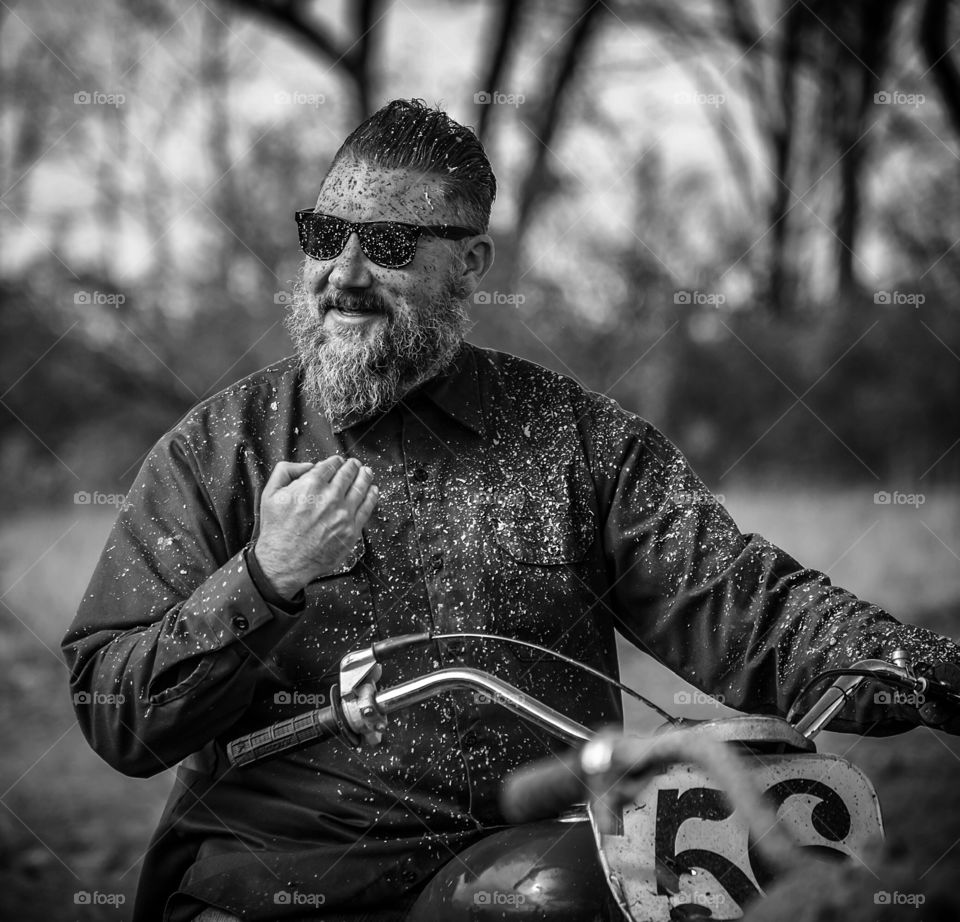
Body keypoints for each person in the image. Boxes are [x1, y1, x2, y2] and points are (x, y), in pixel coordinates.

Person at [63, 99, 960, 922]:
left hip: (520, 857)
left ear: (472, 263)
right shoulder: (219, 448)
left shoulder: (575, 440)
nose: (343, 273)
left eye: (390, 244)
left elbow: (748, 606)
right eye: (325, 232)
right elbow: (115, 709)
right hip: (269, 878)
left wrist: (924, 667)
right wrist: (268, 575)